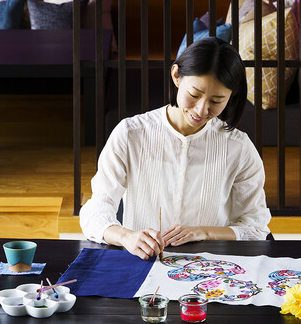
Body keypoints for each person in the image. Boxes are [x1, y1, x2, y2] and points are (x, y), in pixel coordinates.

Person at [79, 37, 271, 260]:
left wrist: (204, 232)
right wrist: (126, 237)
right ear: (176, 75)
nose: (201, 110)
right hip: (142, 264)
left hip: (211, 268)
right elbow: (94, 213)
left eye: (216, 101)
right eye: (194, 95)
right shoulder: (131, 134)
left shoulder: (239, 148)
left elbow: (256, 227)